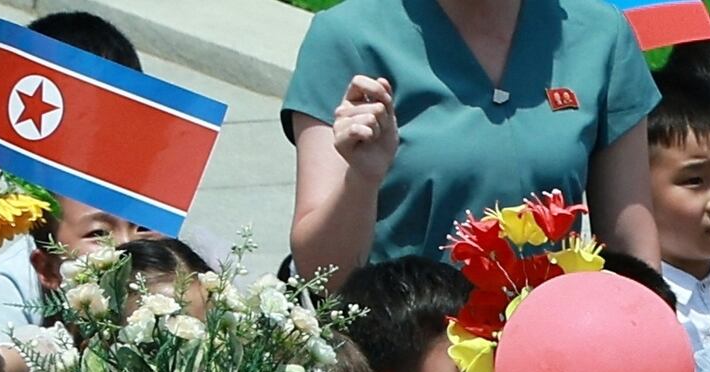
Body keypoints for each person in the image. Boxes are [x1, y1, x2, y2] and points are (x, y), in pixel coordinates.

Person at [284, 0, 665, 279]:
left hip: (551, 358)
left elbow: (632, 253)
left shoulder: (601, 34)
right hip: (404, 361)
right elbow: (323, 274)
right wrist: (362, 180)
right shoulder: (346, 37)